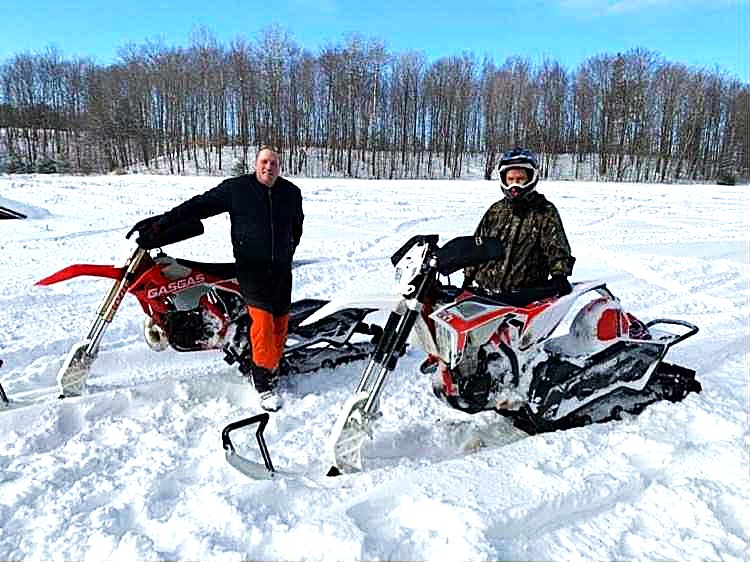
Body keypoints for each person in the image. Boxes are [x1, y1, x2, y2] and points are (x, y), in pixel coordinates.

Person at [129, 146, 304, 411]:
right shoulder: (237, 189)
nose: (269, 167)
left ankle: (272, 365)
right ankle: (264, 385)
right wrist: (162, 224)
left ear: (280, 166)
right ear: (256, 164)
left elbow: (296, 227)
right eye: (264, 162)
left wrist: (287, 251)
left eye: (274, 163)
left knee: (280, 324)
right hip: (251, 269)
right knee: (264, 323)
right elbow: (199, 205)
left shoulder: (291, 193)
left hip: (280, 270)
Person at [463, 147, 575, 298]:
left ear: (531, 178)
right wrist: (468, 277)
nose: (514, 185)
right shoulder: (495, 210)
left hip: (524, 297)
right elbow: (477, 245)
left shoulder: (544, 211)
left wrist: (559, 275)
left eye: (520, 179)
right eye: (510, 180)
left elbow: (557, 247)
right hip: (486, 293)